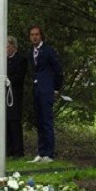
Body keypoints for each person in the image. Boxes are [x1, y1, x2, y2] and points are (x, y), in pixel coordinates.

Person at [29, 25, 63, 163]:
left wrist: (55, 88)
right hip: (37, 89)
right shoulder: (31, 52)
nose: (34, 37)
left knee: (47, 121)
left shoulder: (48, 51)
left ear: (41, 36)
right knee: (39, 121)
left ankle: (49, 154)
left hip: (47, 90)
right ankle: (41, 152)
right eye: (32, 35)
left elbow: (58, 70)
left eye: (36, 34)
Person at [5, 35, 27, 158]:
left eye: (7, 46)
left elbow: (19, 76)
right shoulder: (4, 59)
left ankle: (18, 151)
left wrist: (8, 80)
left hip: (15, 95)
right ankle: (8, 150)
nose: (6, 49)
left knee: (14, 122)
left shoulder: (21, 59)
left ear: (13, 46)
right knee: (6, 122)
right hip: (5, 94)